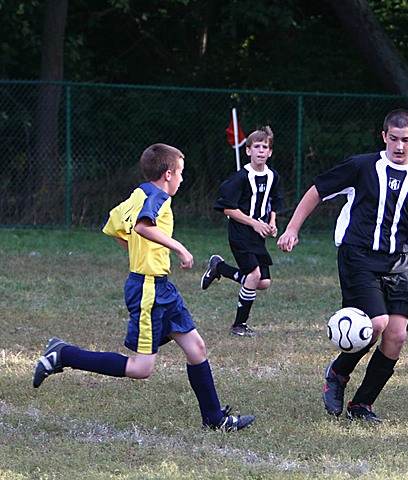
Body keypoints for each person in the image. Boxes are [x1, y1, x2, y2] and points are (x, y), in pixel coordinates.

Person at [277, 109, 408, 422]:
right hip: (357, 256)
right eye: (394, 139)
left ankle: (361, 406)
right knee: (376, 324)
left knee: (396, 335)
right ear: (384, 136)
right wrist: (292, 228)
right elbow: (317, 191)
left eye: (406, 140)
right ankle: (338, 372)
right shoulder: (361, 166)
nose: (400, 146)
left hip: (397, 264)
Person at [32, 143, 255, 432]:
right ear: (167, 174)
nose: (182, 179)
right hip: (148, 289)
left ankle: (215, 419)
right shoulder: (158, 197)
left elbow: (113, 224)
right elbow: (142, 227)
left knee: (196, 348)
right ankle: (63, 354)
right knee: (141, 369)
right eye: (181, 173)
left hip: (161, 287)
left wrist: (138, 252)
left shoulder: (138, 193)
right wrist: (180, 249)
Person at [201, 126, 283, 337]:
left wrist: (272, 222)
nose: (261, 151)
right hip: (240, 232)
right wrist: (254, 223)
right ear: (248, 151)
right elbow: (226, 207)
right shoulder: (240, 177)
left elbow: (275, 201)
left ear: (270, 152)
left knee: (263, 282)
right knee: (254, 275)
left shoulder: (273, 176)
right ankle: (239, 325)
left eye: (265, 147)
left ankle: (219, 267)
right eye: (256, 146)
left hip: (258, 235)